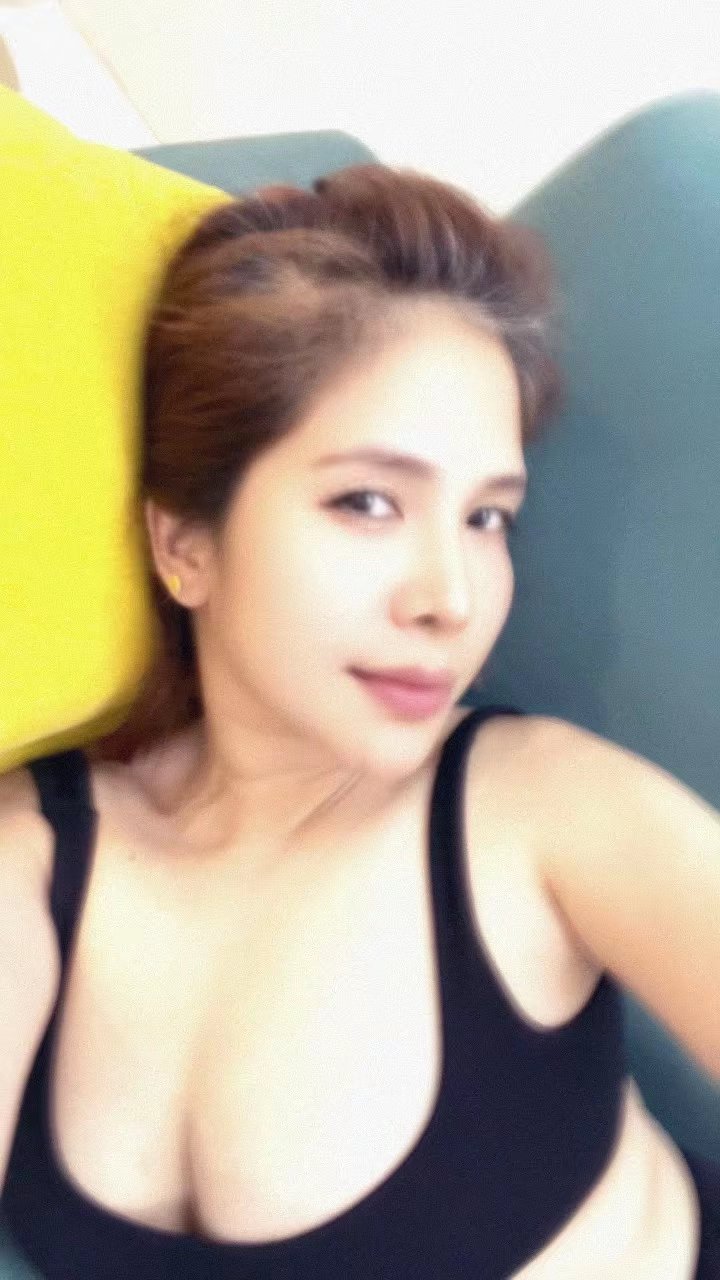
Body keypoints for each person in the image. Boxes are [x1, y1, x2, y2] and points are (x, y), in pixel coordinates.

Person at [1, 163, 718, 1279]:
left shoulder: (542, 809)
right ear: (185, 544)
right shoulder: (34, 851)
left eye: (488, 518)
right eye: (369, 501)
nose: (453, 598)